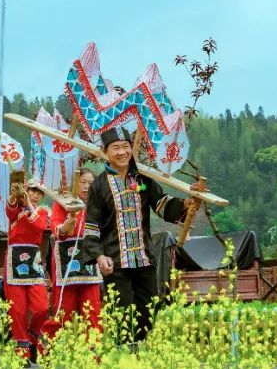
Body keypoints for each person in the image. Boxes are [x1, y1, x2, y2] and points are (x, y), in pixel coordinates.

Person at [80, 127, 200, 343]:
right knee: (123, 318)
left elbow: (162, 204)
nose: (122, 152)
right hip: (115, 263)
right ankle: (125, 358)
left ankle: (140, 355)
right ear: (105, 151)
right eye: (116, 148)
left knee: (148, 312)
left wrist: (185, 204)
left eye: (126, 146)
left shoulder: (143, 178)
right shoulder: (98, 185)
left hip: (144, 260)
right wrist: (99, 255)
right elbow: (91, 226)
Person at [3, 179, 59, 360]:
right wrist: (14, 195)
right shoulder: (16, 211)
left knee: (41, 307)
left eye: (39, 192)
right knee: (18, 310)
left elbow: (41, 226)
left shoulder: (43, 211)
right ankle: (22, 353)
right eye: (32, 191)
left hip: (33, 261)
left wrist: (27, 203)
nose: (35, 195)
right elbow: (9, 210)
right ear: (26, 190)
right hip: (14, 261)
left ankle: (33, 339)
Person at [50, 168, 102, 333]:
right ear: (75, 184)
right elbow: (55, 226)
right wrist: (65, 226)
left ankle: (93, 345)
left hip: (89, 258)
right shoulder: (63, 201)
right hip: (67, 258)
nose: (87, 186)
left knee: (91, 305)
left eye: (90, 183)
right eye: (83, 182)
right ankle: (62, 344)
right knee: (65, 306)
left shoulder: (98, 204)